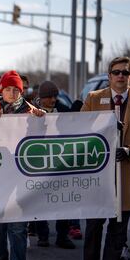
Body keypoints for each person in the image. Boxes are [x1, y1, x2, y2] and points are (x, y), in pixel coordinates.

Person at [77, 56, 130, 260]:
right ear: (109, 75)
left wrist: (129, 150)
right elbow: (78, 128)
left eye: (125, 72)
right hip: (98, 176)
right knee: (93, 227)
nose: (120, 76)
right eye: (116, 72)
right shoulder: (93, 99)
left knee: (118, 228)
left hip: (126, 174)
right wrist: (103, 127)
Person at [0, 70, 45, 260]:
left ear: (21, 91)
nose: (11, 93)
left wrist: (41, 122)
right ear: (1, 89)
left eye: (16, 89)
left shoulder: (31, 111)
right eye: (8, 88)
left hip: (21, 176)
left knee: (19, 228)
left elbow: (40, 141)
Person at [32, 81, 76, 250]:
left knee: (62, 199)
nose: (52, 100)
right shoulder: (31, 111)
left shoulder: (63, 108)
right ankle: (42, 235)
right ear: (41, 98)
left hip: (59, 160)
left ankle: (62, 236)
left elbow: (74, 124)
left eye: (55, 96)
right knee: (40, 198)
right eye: (49, 97)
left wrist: (76, 112)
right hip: (39, 161)